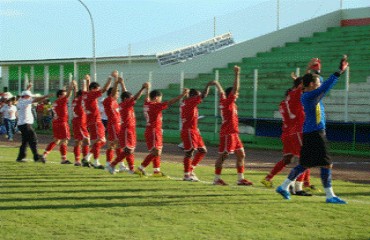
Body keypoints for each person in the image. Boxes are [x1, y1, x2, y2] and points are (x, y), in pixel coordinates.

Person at [276, 55, 349, 204]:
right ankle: (330, 196)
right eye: (316, 82)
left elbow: (321, 81)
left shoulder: (308, 93)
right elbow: (326, 85)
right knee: (327, 163)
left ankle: (284, 186)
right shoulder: (310, 95)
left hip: (310, 132)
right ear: (310, 85)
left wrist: (316, 68)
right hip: (315, 133)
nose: (319, 83)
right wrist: (339, 71)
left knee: (304, 164)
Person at [261, 71, 316, 196]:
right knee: (304, 158)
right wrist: (308, 72)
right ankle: (297, 186)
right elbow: (301, 87)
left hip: (288, 132)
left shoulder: (285, 101)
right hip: (297, 129)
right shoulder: (297, 95)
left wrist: (297, 80)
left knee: (289, 159)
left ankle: (273, 179)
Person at [134, 86, 189, 177]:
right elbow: (170, 102)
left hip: (153, 130)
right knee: (156, 152)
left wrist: (147, 89)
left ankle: (156, 171)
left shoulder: (147, 104)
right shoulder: (155, 106)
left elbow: (147, 98)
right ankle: (140, 168)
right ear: (156, 98)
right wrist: (182, 95)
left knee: (157, 151)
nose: (161, 100)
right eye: (160, 98)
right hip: (154, 131)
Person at [212, 66, 253, 186]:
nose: (237, 94)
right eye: (235, 94)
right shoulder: (228, 102)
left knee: (241, 154)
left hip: (234, 133)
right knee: (223, 155)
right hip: (228, 133)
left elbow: (221, 92)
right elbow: (235, 89)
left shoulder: (227, 102)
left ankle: (240, 179)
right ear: (231, 94)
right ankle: (216, 179)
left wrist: (217, 84)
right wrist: (237, 74)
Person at [107, 78, 149, 174]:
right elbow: (134, 98)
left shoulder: (125, 103)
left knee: (130, 150)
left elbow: (126, 94)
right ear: (126, 99)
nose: (132, 101)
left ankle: (131, 169)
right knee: (128, 150)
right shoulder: (126, 104)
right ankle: (112, 165)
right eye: (129, 99)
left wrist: (122, 83)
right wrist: (142, 88)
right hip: (127, 129)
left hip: (130, 129)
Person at [180, 82, 213, 181]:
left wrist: (185, 93)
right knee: (189, 152)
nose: (198, 99)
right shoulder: (190, 101)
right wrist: (208, 85)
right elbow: (203, 96)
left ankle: (190, 170)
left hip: (194, 130)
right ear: (193, 96)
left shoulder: (186, 102)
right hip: (189, 130)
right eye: (197, 96)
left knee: (202, 150)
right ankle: (186, 175)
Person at [15, 84, 52, 163]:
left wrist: (28, 88)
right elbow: (36, 100)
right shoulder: (25, 101)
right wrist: (46, 96)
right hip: (25, 124)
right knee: (33, 139)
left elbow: (28, 95)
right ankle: (36, 157)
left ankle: (20, 157)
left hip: (22, 124)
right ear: (26, 96)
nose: (30, 97)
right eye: (29, 96)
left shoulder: (21, 100)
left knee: (25, 141)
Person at [83, 73, 112, 169]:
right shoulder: (91, 95)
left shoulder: (87, 95)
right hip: (95, 121)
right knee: (101, 140)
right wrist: (110, 78)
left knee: (99, 141)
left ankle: (88, 158)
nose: (98, 91)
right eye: (97, 89)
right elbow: (104, 89)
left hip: (92, 121)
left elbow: (88, 90)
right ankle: (94, 161)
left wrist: (87, 81)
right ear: (94, 89)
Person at [42, 81, 75, 164]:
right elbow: (68, 95)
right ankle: (63, 159)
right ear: (60, 96)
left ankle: (44, 155)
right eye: (63, 94)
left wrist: (65, 89)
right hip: (62, 123)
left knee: (56, 140)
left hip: (56, 123)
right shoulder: (61, 101)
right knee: (65, 140)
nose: (65, 96)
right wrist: (71, 87)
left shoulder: (55, 102)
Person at [102, 74, 123, 169]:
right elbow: (114, 92)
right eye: (117, 93)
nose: (118, 95)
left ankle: (115, 164)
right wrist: (116, 82)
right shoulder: (108, 100)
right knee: (115, 144)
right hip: (114, 125)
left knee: (115, 145)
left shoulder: (115, 102)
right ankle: (112, 164)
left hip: (116, 124)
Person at [72, 76, 90, 167]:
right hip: (80, 123)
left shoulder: (75, 100)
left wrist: (75, 87)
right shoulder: (80, 100)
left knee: (78, 141)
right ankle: (85, 159)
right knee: (87, 141)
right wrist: (86, 81)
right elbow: (84, 91)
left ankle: (77, 160)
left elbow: (77, 94)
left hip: (76, 122)